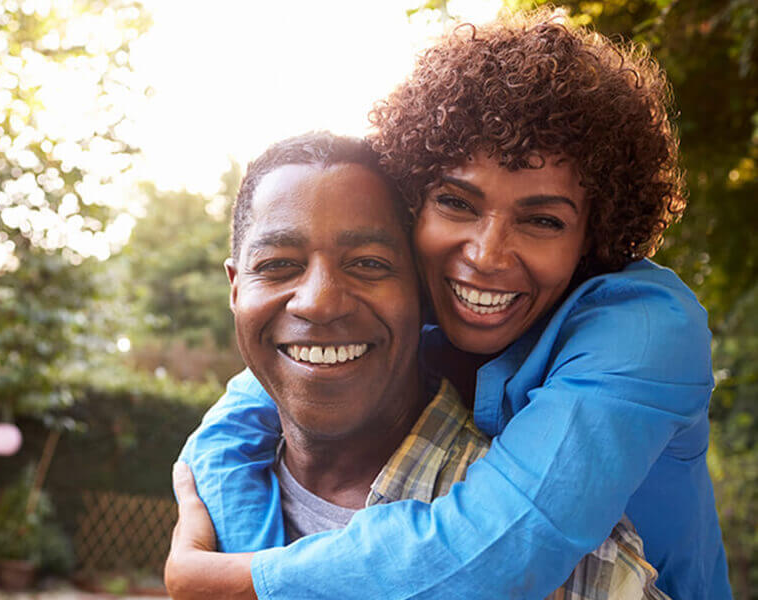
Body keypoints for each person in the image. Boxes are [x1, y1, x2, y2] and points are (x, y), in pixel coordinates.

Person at [168, 11, 731, 600]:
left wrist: (238, 582)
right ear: (417, 205)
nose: (486, 255)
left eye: (541, 220)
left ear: (594, 236)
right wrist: (237, 546)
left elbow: (500, 549)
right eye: (457, 203)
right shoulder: (421, 290)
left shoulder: (644, 331)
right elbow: (252, 404)